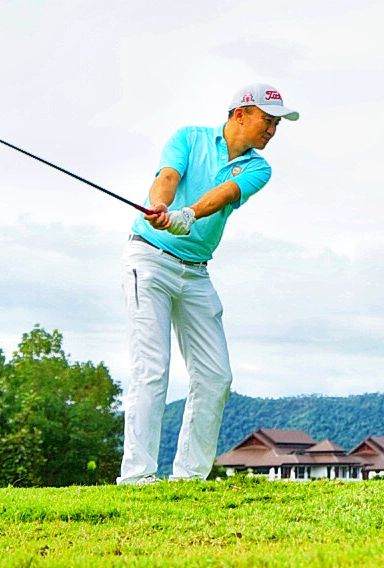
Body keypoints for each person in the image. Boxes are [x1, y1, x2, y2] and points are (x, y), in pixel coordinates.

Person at [118, 84, 299, 484]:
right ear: (240, 114)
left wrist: (187, 214)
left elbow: (223, 194)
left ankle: (189, 478)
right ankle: (137, 478)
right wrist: (162, 207)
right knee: (152, 368)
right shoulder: (189, 137)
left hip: (196, 270)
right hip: (150, 258)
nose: (272, 130)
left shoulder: (258, 168)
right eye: (267, 121)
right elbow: (168, 176)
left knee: (216, 376)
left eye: (276, 124)